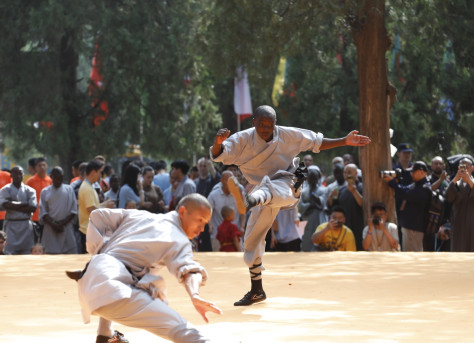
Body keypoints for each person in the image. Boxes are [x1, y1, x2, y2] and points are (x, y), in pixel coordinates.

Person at [210, 104, 370, 306]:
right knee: (251, 239)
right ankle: (257, 290)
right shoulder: (243, 139)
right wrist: (217, 143)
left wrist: (344, 141)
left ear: (275, 124)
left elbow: (317, 142)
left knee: (274, 187)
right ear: (254, 123)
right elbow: (220, 154)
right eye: (261, 125)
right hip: (261, 190)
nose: (266, 129)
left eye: (269, 125)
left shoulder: (288, 134)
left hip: (290, 181)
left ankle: (249, 201)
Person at [69, 194, 222, 343]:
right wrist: (194, 294)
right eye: (200, 220)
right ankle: (105, 334)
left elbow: (98, 216)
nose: (202, 228)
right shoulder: (177, 238)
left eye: (205, 223)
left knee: (133, 276)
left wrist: (100, 254)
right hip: (115, 290)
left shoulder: (139, 216)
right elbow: (190, 270)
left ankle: (105, 335)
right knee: (183, 330)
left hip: (89, 285)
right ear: (182, 212)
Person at [383, 161, 431, 251]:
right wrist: (396, 182)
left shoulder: (424, 188)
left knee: (413, 256)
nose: (411, 174)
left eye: (413, 171)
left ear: (421, 172)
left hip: (414, 229)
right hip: (410, 227)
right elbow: (405, 189)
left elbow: (406, 194)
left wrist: (392, 183)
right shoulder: (417, 185)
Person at [77, 160, 115, 253]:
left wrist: (105, 204)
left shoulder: (89, 186)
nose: (100, 175)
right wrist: (106, 206)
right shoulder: (87, 188)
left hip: (90, 231)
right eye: (99, 172)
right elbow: (92, 209)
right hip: (88, 231)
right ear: (93, 172)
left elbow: (93, 206)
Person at [39, 167, 77, 254]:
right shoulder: (45, 191)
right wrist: (55, 224)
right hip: (50, 229)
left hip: (66, 227)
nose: (58, 180)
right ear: (51, 177)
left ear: (63, 177)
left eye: (60, 177)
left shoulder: (69, 190)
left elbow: (73, 211)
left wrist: (62, 224)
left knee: (69, 256)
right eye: (55, 177)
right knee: (50, 255)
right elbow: (43, 213)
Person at [0, 166, 37, 255]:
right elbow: (4, 205)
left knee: (27, 253)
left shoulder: (30, 190)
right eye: (15, 174)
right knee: (9, 252)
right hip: (11, 225)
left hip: (26, 225)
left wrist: (12, 204)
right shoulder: (5, 189)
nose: (18, 176)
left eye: (20, 173)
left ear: (23, 175)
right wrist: (23, 204)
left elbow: (33, 207)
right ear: (11, 175)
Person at [207, 171, 245, 251]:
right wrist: (210, 226)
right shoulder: (213, 195)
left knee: (239, 260)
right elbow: (207, 212)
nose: (231, 183)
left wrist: (242, 227)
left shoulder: (239, 194)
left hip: (235, 234)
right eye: (228, 180)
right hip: (218, 235)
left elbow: (243, 212)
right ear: (221, 181)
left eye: (232, 180)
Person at [329, 163, 364, 250]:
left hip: (358, 227)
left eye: (349, 172)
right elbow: (334, 207)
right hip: (344, 229)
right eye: (345, 172)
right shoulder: (341, 190)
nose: (347, 174)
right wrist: (331, 197)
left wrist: (354, 191)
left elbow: (363, 204)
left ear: (355, 173)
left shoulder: (362, 187)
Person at [444, 157, 474, 251]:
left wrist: (469, 180)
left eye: (467, 167)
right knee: (458, 248)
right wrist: (456, 178)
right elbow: (448, 197)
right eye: (462, 167)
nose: (465, 170)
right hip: (458, 223)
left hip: (472, 223)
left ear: (472, 168)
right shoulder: (455, 183)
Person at [299, 165, 328, 251]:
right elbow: (300, 207)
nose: (313, 180)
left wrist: (314, 197)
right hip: (307, 221)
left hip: (320, 219)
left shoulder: (324, 190)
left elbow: (323, 203)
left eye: (314, 178)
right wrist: (310, 205)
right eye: (311, 178)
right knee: (307, 243)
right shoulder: (303, 191)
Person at [25, 157, 52, 241]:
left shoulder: (50, 181)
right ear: (35, 168)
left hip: (47, 216)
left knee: (46, 241)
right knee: (34, 240)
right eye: (39, 165)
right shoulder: (30, 181)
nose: (42, 167)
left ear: (47, 166)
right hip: (34, 216)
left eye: (44, 165)